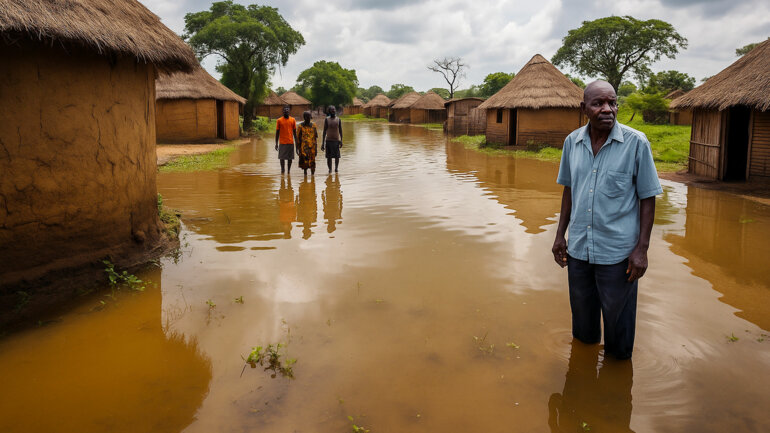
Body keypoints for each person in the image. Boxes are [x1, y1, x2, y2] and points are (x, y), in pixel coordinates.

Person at [552, 80, 662, 360]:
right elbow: (569, 190)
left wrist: (642, 250)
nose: (607, 109)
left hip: (618, 256)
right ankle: (583, 383)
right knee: (583, 330)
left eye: (612, 103)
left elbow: (648, 197)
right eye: (598, 103)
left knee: (619, 335)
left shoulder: (636, 143)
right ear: (584, 108)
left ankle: (617, 389)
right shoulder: (572, 143)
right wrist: (559, 236)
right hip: (578, 251)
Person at [275, 105, 297, 174]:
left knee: (290, 158)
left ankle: (289, 171)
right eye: (285, 109)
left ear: (289, 111)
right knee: (282, 158)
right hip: (282, 142)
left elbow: (294, 133)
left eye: (287, 109)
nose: (286, 110)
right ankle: (282, 170)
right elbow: (277, 132)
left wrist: (297, 143)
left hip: (290, 142)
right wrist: (276, 143)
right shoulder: (279, 120)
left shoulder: (293, 120)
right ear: (283, 111)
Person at [321, 106, 343, 173]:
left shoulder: (338, 119)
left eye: (334, 110)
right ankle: (330, 169)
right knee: (329, 157)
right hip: (328, 141)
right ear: (329, 111)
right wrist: (323, 143)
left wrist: (341, 140)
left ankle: (336, 169)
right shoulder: (327, 120)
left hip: (336, 141)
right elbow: (324, 131)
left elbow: (340, 130)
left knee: (337, 157)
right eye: (332, 110)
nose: (333, 111)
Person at [296, 111, 318, 176]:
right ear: (304, 117)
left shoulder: (314, 126)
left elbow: (315, 138)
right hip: (303, 148)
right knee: (304, 164)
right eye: (306, 117)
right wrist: (297, 148)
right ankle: (305, 176)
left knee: (312, 163)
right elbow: (298, 138)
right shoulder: (300, 126)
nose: (308, 118)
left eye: (309, 116)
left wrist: (316, 149)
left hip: (312, 148)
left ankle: (312, 176)